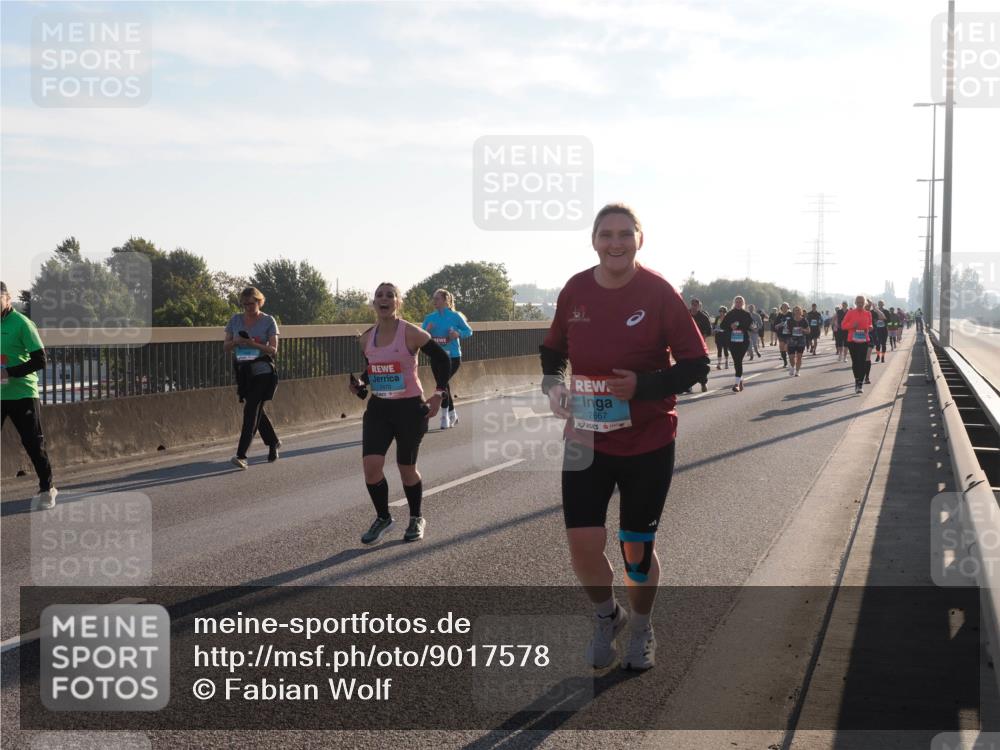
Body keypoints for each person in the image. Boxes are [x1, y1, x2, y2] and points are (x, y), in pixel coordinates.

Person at [540, 203, 709, 671]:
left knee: (635, 550)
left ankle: (640, 625)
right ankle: (605, 615)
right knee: (583, 543)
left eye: (624, 234)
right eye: (606, 234)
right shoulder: (575, 290)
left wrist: (643, 386)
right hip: (585, 438)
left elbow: (697, 365)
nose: (615, 242)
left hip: (647, 441)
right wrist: (553, 384)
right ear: (594, 240)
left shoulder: (658, 292)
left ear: (640, 239)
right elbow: (553, 350)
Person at [352, 282, 453, 545]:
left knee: (406, 468)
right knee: (371, 467)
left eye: (390, 295)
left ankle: (416, 517)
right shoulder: (366, 338)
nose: (383, 299)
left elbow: (443, 359)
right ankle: (383, 517)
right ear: (373, 303)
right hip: (379, 409)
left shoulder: (411, 333)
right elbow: (373, 369)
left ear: (398, 302)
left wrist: (439, 393)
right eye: (379, 295)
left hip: (409, 408)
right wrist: (362, 385)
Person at [1, 281, 58, 509]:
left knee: (33, 444)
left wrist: (9, 371)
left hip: (23, 393)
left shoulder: (22, 324)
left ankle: (47, 488)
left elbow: (41, 360)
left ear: (7, 297)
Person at [224, 287, 281, 469]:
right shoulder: (235, 320)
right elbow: (226, 346)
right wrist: (236, 342)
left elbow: (273, 350)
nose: (248, 307)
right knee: (257, 410)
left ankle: (242, 455)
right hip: (244, 372)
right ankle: (273, 442)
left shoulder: (268, 321)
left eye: (252, 303)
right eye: (245, 304)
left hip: (263, 370)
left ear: (259, 302)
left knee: (250, 411)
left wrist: (252, 344)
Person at [422, 289, 473, 429]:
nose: (434, 301)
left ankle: (445, 417)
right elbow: (420, 335)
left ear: (446, 300)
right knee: (443, 385)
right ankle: (452, 414)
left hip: (453, 357)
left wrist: (458, 333)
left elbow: (469, 331)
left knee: (442, 385)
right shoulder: (430, 317)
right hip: (436, 357)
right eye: (434, 298)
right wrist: (427, 330)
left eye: (437, 298)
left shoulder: (456, 316)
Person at [720, 296, 754, 392]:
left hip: (743, 341)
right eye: (737, 302)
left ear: (743, 303)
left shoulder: (746, 314)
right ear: (734, 303)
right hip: (732, 341)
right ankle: (740, 380)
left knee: (738, 360)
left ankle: (736, 384)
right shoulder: (730, 314)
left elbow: (751, 326)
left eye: (740, 302)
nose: (738, 303)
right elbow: (722, 325)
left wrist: (745, 328)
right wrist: (731, 326)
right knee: (736, 361)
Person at [842, 296, 873, 393]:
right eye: (858, 302)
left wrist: (870, 327)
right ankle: (857, 380)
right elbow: (843, 325)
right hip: (852, 340)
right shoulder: (850, 312)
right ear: (855, 302)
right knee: (855, 362)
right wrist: (852, 326)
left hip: (864, 340)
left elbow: (870, 324)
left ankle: (860, 384)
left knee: (863, 361)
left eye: (861, 302)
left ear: (864, 303)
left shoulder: (868, 313)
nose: (860, 304)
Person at [688, 298, 712, 393]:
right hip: (687, 342)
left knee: (701, 364)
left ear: (699, 306)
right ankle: (688, 385)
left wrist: (702, 338)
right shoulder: (686, 314)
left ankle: (703, 383)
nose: (694, 306)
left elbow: (709, 330)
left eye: (696, 305)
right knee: (687, 364)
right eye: (692, 304)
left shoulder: (703, 317)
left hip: (700, 344)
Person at [786, 306, 809, 376]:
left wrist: (803, 330)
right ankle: (792, 367)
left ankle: (797, 371)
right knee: (791, 357)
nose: (797, 312)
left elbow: (808, 331)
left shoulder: (804, 320)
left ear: (801, 311)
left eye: (798, 310)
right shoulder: (790, 321)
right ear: (793, 312)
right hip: (791, 340)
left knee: (799, 357)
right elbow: (786, 330)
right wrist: (788, 331)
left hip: (801, 340)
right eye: (796, 310)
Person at [774, 302, 793, 368]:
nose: (784, 308)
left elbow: (795, 322)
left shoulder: (791, 315)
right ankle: (785, 362)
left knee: (787, 348)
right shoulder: (779, 316)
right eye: (783, 307)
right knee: (781, 347)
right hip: (781, 334)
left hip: (789, 334)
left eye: (786, 306)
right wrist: (778, 325)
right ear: (781, 308)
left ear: (788, 308)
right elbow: (775, 325)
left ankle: (791, 360)